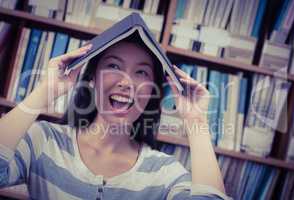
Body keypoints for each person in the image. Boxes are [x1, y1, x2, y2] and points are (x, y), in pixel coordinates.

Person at [0, 34, 231, 200]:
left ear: (151, 91)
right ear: (91, 78)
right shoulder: (44, 141)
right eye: (114, 66)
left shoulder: (165, 173)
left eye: (141, 72)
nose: (126, 82)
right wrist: (44, 91)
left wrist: (196, 122)